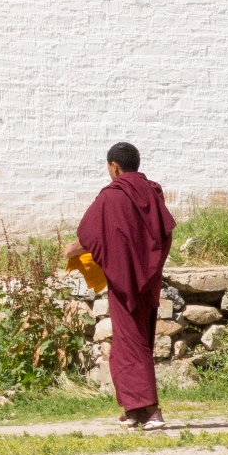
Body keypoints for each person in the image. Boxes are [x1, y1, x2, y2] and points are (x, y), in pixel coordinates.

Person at [70, 141, 175, 429]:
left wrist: (73, 251)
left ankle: (152, 410)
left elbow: (92, 233)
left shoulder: (112, 196)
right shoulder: (153, 192)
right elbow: (162, 234)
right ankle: (133, 410)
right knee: (129, 344)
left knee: (133, 345)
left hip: (125, 280)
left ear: (114, 166)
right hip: (148, 278)